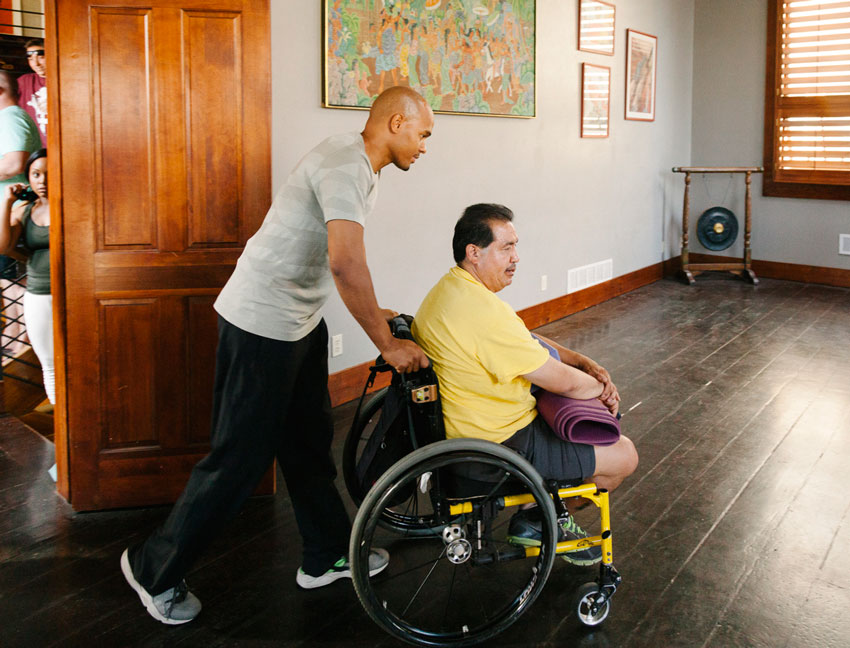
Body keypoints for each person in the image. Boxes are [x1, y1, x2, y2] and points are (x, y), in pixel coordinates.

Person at [121, 86, 434, 625]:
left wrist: (379, 313)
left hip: (299, 322)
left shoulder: (359, 162)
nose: (426, 147)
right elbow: (344, 262)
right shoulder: (346, 165)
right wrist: (385, 343)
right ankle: (152, 568)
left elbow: (326, 259)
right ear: (397, 121)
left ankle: (326, 555)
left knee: (308, 442)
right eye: (424, 134)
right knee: (237, 461)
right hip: (261, 322)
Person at [412, 204, 638, 565]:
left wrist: (582, 361)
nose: (516, 257)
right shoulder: (483, 313)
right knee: (624, 455)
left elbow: (525, 338)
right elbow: (564, 382)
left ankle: (537, 512)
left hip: (467, 427)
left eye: (515, 246)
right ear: (474, 252)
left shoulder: (452, 290)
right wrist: (601, 389)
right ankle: (535, 517)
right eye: (506, 248)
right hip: (499, 444)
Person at [0, 148, 52, 403]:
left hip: (73, 293)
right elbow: (3, 247)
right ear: (29, 177)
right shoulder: (25, 210)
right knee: (49, 364)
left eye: (49, 174)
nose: (42, 181)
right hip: (38, 296)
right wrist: (7, 202)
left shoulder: (73, 207)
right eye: (36, 174)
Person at [0, 70, 41, 360]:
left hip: (15, 210)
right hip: (8, 209)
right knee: (6, 279)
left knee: (12, 277)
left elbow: (14, 162)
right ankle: (13, 338)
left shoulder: (11, 117)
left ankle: (20, 342)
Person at [17, 38, 47, 144]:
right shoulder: (24, 81)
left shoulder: (68, 80)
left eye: (41, 57)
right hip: (34, 147)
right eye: (30, 59)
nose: (36, 64)